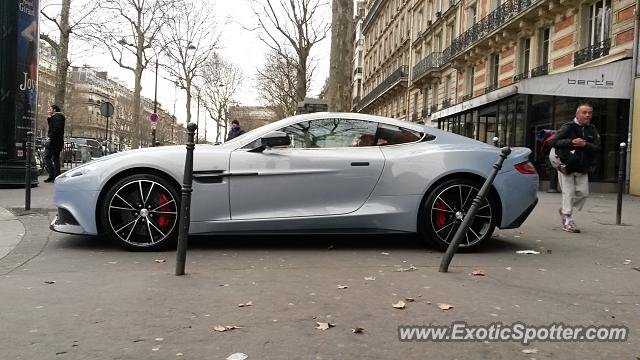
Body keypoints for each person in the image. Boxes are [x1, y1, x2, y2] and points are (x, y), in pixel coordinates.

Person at [548, 103, 601, 233]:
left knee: (583, 194)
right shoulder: (568, 127)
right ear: (577, 114)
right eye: (584, 112)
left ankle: (564, 210)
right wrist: (571, 142)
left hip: (582, 166)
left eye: (590, 113)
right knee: (569, 193)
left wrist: (585, 144)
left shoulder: (592, 129)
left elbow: (598, 147)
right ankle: (567, 220)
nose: (588, 115)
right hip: (567, 165)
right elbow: (552, 142)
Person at [43, 104, 65, 183]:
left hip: (54, 141)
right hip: (57, 141)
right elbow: (53, 126)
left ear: (54, 110)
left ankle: (52, 175)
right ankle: (56, 176)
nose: (48, 109)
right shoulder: (56, 117)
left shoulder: (57, 117)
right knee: (55, 158)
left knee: (47, 157)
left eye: (50, 108)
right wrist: (49, 119)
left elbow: (56, 129)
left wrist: (50, 137)